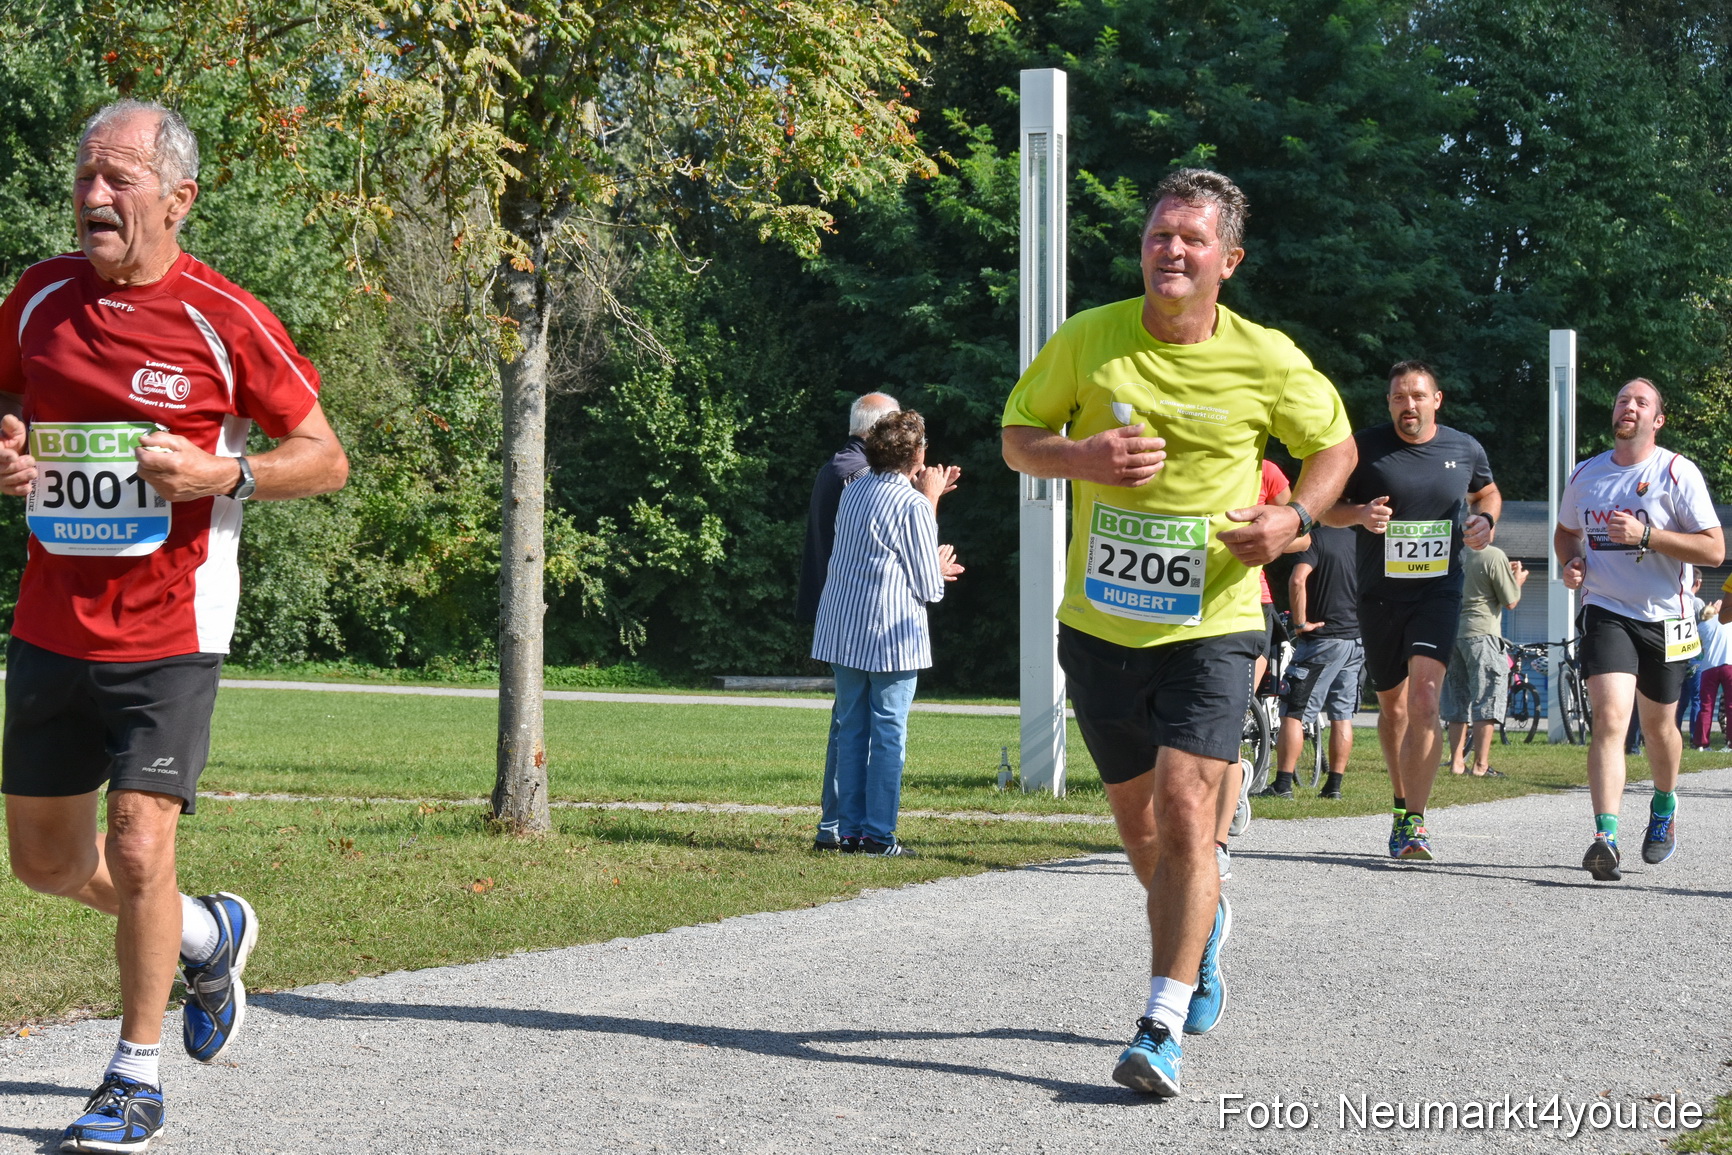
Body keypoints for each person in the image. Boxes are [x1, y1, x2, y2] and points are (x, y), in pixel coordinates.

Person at [0, 100, 349, 1153]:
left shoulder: (224, 318)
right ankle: (208, 935)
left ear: (178, 197)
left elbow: (322, 454)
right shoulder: (35, 297)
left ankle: (133, 1075)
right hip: (53, 619)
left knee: (141, 843)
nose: (94, 197)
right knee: (46, 865)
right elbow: (9, 404)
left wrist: (224, 471)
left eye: (119, 179)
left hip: (172, 621)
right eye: (85, 177)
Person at [1001, 168, 1354, 1097]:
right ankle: (1205, 929)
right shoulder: (1088, 339)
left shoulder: (1267, 358)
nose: (1172, 250)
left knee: (1192, 812)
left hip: (1217, 621)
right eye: (1161, 234)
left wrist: (1295, 522)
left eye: (1193, 239)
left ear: (1226, 261)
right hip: (1101, 624)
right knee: (1142, 828)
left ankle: (1160, 1023)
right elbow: (1015, 434)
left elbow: (1336, 448)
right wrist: (1079, 455)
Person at [1326, 360, 1499, 861]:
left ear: (1436, 400)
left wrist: (1486, 518)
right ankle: (1400, 805)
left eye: (1418, 396)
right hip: (1379, 596)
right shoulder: (1363, 448)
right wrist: (1358, 515)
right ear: (1389, 403)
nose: (1409, 405)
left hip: (1438, 593)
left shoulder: (1464, 448)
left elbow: (1486, 491)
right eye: (1400, 397)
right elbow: (1323, 506)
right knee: (1393, 708)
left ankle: (1415, 823)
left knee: (1425, 700)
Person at [1556, 378, 1723, 881]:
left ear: (1658, 419)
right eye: (1623, 400)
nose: (1629, 407)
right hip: (1606, 609)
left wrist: (1648, 534)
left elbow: (1714, 550)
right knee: (1609, 719)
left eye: (1641, 402)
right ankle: (1605, 836)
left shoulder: (1676, 471)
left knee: (1659, 729)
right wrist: (1571, 565)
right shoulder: (1585, 474)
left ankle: (1665, 805)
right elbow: (1567, 533)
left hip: (1666, 618)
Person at [810, 410, 962, 857]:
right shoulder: (911, 504)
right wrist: (937, 560)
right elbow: (929, 587)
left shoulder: (854, 491)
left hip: (843, 629)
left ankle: (850, 830)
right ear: (917, 454)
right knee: (890, 731)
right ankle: (878, 835)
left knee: (852, 730)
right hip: (891, 636)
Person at [795, 391, 905, 851]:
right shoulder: (856, 474)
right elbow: (874, 549)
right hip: (859, 615)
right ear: (878, 429)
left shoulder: (839, 466)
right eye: (897, 426)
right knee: (857, 725)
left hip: (839, 611)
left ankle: (837, 827)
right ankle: (840, 826)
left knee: (849, 722)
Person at [1264, 524, 1362, 799]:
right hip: (1354, 640)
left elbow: (1298, 579)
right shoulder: (1360, 540)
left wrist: (1300, 622)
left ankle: (1282, 785)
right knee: (1342, 715)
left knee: (1293, 711)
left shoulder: (1314, 539)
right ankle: (1334, 786)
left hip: (1322, 639)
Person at [1443, 547, 1528, 776]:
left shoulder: (1453, 553)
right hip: (1483, 634)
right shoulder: (1493, 555)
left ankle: (1456, 763)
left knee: (1457, 701)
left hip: (1453, 635)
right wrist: (1517, 580)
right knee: (1486, 698)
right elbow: (1510, 601)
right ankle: (1480, 765)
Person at [1692, 593, 1729, 750]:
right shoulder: (1727, 621)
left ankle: (1702, 743)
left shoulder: (1700, 627)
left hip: (1708, 667)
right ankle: (1730, 743)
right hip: (1729, 664)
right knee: (1731, 706)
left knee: (1706, 706)